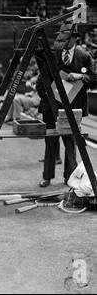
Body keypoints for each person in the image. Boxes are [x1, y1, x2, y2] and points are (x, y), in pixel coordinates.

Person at [37, 27, 97, 187]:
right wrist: (49, 99)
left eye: (66, 38)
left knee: (70, 143)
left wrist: (80, 76)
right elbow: (40, 82)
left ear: (75, 38)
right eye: (61, 38)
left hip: (73, 107)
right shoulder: (53, 54)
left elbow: (94, 78)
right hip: (52, 107)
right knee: (50, 142)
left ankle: (69, 178)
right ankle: (47, 177)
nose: (62, 41)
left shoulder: (84, 56)